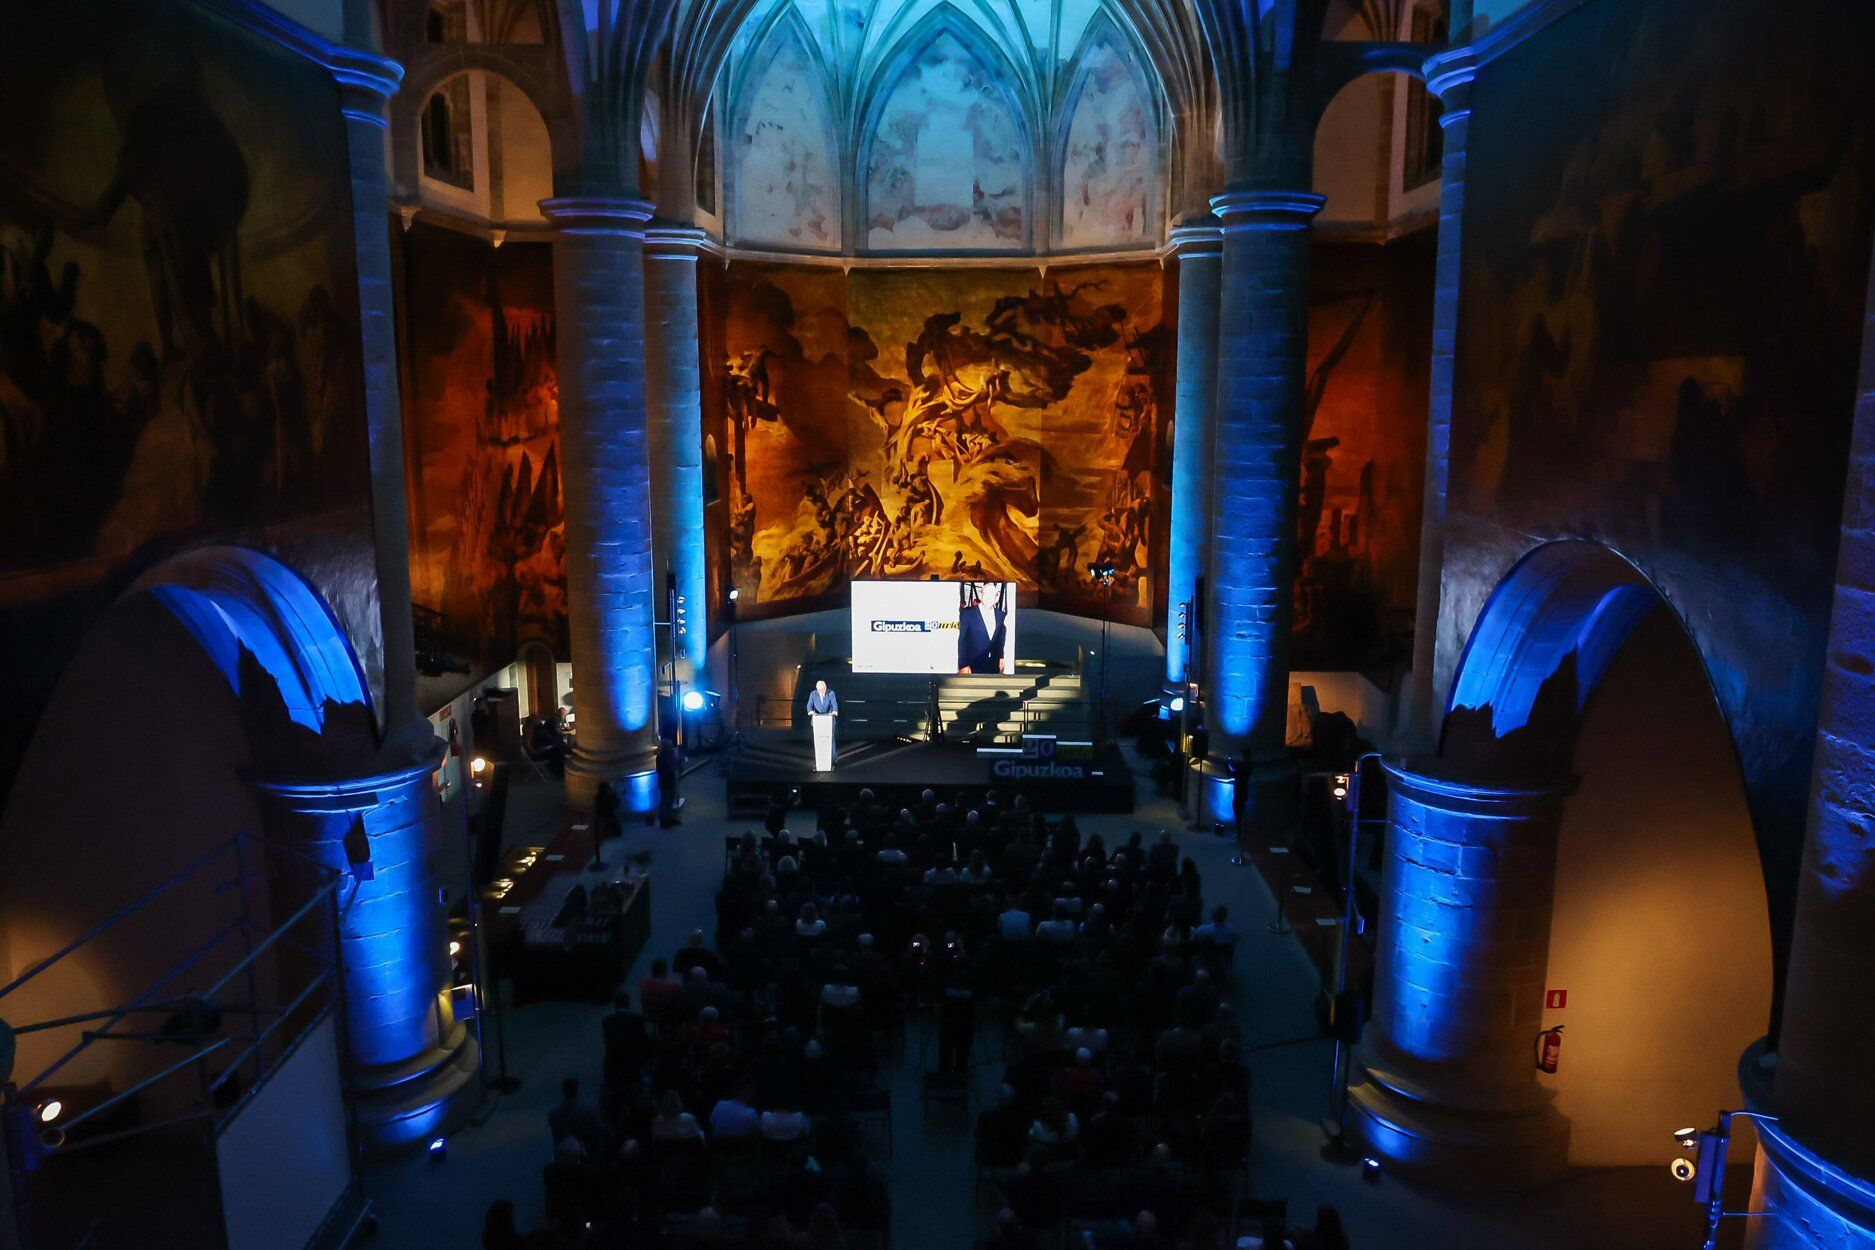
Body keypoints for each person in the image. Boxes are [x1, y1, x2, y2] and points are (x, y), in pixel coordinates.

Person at [957, 581, 1009, 674]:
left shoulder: (1001, 616)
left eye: (993, 595)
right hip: (971, 667)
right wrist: (963, 664)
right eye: (987, 594)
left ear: (996, 598)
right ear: (981, 595)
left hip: (993, 666)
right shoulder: (967, 614)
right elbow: (962, 640)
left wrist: (1001, 655)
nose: (989, 597)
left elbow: (1000, 639)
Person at [548, 1076, 608, 1156]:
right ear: (577, 1090)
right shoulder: (589, 1113)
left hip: (562, 1157)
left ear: (562, 1090)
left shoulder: (553, 1115)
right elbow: (598, 1135)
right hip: (584, 1156)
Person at [807, 679, 839, 771]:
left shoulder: (831, 693)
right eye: (820, 690)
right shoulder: (813, 694)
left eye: (823, 689)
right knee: (818, 739)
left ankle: (833, 757)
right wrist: (810, 711)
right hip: (817, 719)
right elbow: (809, 705)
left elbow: (834, 703)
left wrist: (834, 711)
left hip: (829, 718)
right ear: (817, 689)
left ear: (826, 688)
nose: (822, 691)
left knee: (830, 738)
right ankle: (819, 759)